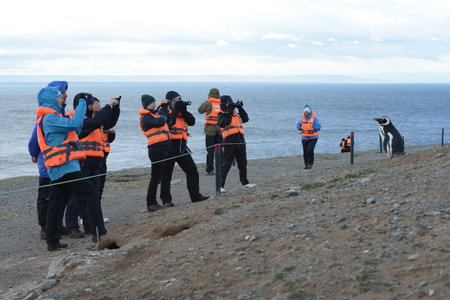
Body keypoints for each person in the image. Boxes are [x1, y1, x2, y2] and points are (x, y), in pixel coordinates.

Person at [35, 86, 99, 251]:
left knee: (56, 204)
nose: (62, 98)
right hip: (63, 167)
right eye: (59, 96)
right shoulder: (50, 118)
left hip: (62, 166)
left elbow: (75, 128)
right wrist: (83, 102)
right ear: (51, 99)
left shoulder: (53, 117)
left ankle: (53, 241)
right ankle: (99, 232)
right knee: (90, 193)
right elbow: (76, 123)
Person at [65, 94, 119, 240]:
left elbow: (108, 121)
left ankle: (91, 226)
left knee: (93, 195)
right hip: (83, 161)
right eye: (95, 102)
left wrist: (115, 108)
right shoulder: (77, 119)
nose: (97, 104)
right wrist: (108, 107)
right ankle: (72, 227)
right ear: (87, 105)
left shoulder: (94, 119)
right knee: (76, 195)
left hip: (96, 161)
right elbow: (93, 123)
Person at [28, 81, 70, 240]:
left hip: (61, 162)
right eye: (63, 92)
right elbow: (35, 136)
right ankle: (45, 227)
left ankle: (56, 224)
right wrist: (33, 152)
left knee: (61, 195)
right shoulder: (47, 115)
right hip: (47, 163)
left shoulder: (61, 112)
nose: (65, 95)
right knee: (46, 196)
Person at [160, 91, 209, 206]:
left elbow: (192, 121)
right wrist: (176, 110)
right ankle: (166, 200)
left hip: (181, 146)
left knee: (192, 170)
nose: (179, 102)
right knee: (166, 175)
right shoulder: (163, 110)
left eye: (180, 100)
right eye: (176, 100)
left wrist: (184, 110)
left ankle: (195, 196)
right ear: (170, 102)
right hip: (168, 146)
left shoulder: (182, 111)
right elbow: (169, 122)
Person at [139, 95, 170, 211]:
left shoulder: (152, 114)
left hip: (161, 148)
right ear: (147, 104)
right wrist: (164, 111)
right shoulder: (146, 117)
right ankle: (151, 203)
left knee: (158, 176)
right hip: (155, 149)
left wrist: (163, 109)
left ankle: (153, 202)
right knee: (155, 177)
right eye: (153, 102)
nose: (155, 104)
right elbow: (160, 122)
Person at [217, 95, 255, 193]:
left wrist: (240, 108)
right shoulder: (221, 114)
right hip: (229, 140)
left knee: (243, 162)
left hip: (240, 139)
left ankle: (245, 182)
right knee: (226, 163)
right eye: (228, 103)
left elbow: (246, 119)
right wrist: (228, 111)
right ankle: (220, 185)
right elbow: (224, 123)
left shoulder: (235, 114)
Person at [197, 88, 223, 175]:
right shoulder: (222, 103)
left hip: (210, 131)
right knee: (219, 150)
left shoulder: (209, 103)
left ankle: (210, 170)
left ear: (209, 95)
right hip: (220, 130)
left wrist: (206, 101)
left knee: (210, 151)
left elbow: (200, 110)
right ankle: (221, 168)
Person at [296, 105, 321, 169]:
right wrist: (300, 127)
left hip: (313, 137)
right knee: (305, 151)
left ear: (309, 112)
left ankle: (310, 163)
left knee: (310, 150)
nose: (305, 113)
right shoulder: (302, 118)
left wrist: (312, 127)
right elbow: (298, 125)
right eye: (305, 112)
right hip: (304, 137)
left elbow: (319, 127)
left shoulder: (314, 118)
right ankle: (306, 164)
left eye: (307, 112)